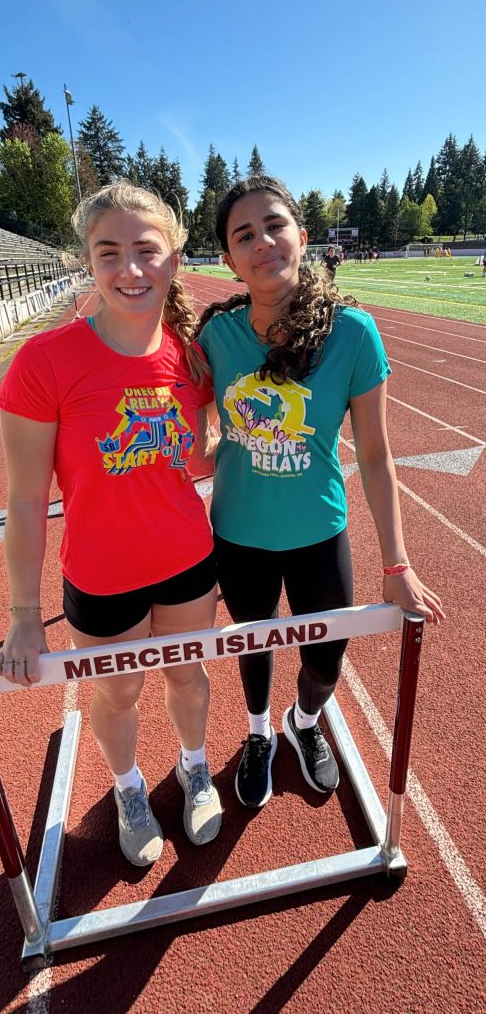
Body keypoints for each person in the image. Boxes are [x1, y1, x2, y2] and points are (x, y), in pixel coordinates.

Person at [194, 175, 445, 811]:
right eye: (243, 234)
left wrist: (397, 564)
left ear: (302, 237)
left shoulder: (354, 334)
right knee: (252, 645)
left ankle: (302, 725)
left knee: (325, 663)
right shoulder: (216, 337)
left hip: (319, 532)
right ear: (228, 259)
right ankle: (257, 733)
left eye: (274, 225)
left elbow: (380, 455)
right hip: (239, 534)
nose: (262, 242)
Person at [0, 181, 222, 867]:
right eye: (108, 252)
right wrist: (24, 613)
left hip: (187, 561)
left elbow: (193, 462)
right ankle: (127, 789)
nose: (129, 269)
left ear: (173, 259)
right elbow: (26, 499)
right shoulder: (44, 362)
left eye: (145, 251)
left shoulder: (192, 358)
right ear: (87, 262)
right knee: (118, 688)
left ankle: (193, 767)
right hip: (99, 575)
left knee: (188, 676)